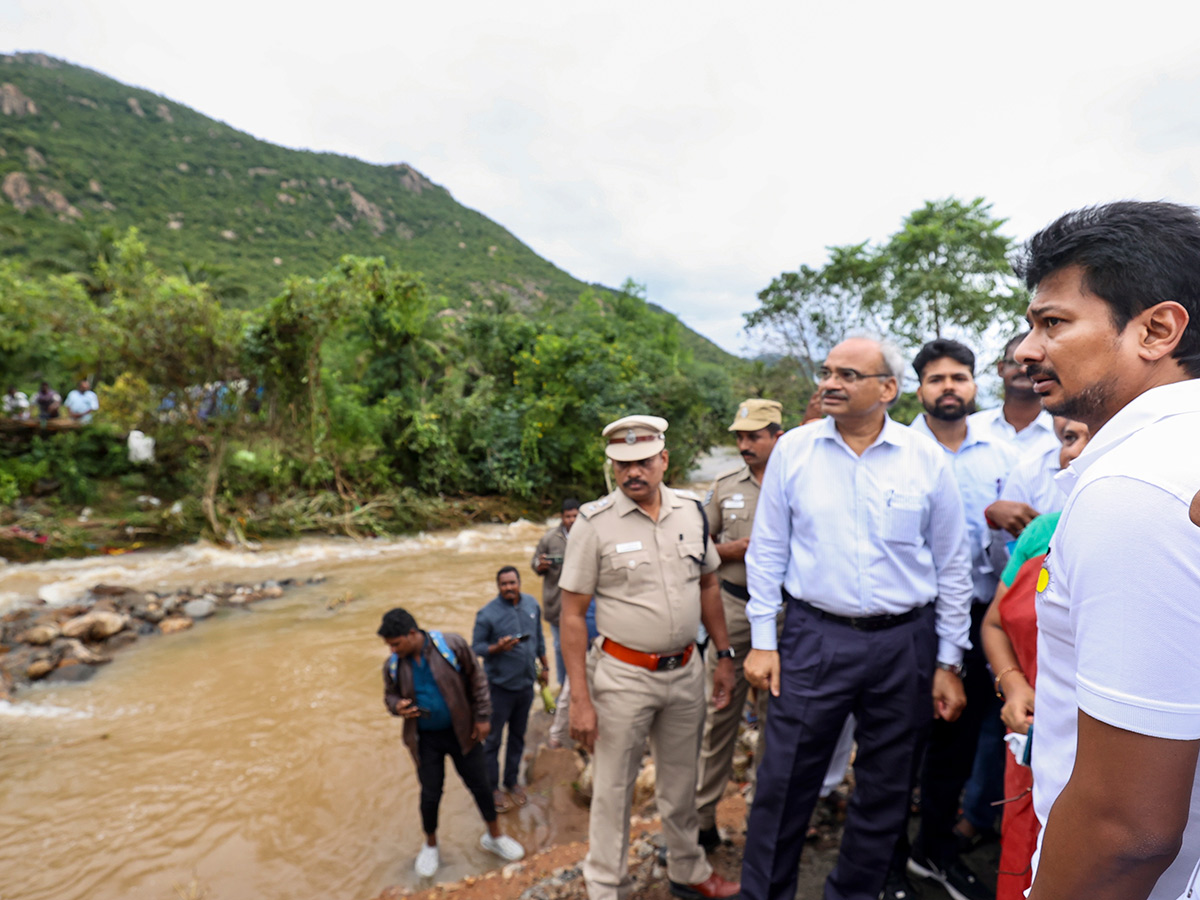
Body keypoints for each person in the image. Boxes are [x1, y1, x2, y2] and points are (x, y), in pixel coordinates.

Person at [1011, 200, 1200, 900]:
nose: (1027, 349)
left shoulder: (1135, 484)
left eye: (1053, 322)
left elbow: (1126, 829)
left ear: (1156, 329)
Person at [740, 336, 973, 900]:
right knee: (784, 781)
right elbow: (767, 552)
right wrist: (764, 641)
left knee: (886, 788)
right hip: (814, 638)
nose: (829, 383)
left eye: (847, 374)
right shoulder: (794, 451)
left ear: (887, 389)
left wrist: (948, 660)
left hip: (905, 644)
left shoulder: (926, 460)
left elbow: (953, 565)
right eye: (826, 372)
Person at [559, 413, 740, 900]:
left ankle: (688, 870)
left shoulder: (690, 511)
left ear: (664, 459)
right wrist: (580, 696)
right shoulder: (594, 524)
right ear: (612, 468)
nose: (632, 472)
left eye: (642, 462)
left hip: (686, 671)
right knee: (613, 791)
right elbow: (572, 615)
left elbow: (707, 584)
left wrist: (724, 654)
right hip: (622, 676)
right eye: (622, 465)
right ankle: (605, 887)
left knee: (681, 784)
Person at [898, 338, 1018, 900]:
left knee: (957, 740)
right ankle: (886, 858)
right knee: (900, 740)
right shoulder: (898, 451)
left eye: (959, 377)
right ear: (917, 389)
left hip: (978, 615)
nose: (949, 387)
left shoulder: (997, 453)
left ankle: (935, 853)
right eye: (936, 378)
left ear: (975, 385)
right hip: (912, 620)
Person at [980, 418, 1089, 900]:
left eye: (1094, 433)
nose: (1077, 450)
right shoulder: (1041, 531)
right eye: (1068, 438)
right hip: (1031, 734)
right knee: (1025, 846)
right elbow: (995, 622)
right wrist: (1014, 683)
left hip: (1104, 751)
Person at [695, 398, 787, 850]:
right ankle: (703, 817)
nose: (744, 444)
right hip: (733, 609)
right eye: (740, 436)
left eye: (754, 436)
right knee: (720, 714)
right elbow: (696, 545)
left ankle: (762, 817)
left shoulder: (799, 481)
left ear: (777, 436)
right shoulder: (725, 485)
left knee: (778, 719)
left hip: (787, 616)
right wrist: (732, 551)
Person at [378, 607, 525, 878]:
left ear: (412, 634)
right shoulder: (394, 665)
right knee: (430, 793)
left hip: (463, 733)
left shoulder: (452, 646)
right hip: (424, 740)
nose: (392, 650)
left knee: (480, 786)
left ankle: (494, 837)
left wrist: (482, 718)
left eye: (396, 644)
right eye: (389, 646)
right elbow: (388, 697)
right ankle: (431, 845)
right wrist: (397, 706)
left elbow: (478, 681)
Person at [472, 566, 549, 814]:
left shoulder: (531, 605)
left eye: (512, 583)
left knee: (518, 736)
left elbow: (538, 638)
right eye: (503, 584)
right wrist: (498, 648)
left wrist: (545, 667)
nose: (508, 588)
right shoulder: (487, 614)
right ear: (498, 586)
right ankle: (492, 787)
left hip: (526, 685)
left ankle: (512, 781)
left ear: (519, 583)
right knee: (493, 740)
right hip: (499, 687)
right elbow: (477, 648)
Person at [968, 332, 1060, 459]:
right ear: (1000, 368)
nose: (1023, 370)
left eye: (1032, 365)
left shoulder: (1064, 431)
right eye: (1015, 363)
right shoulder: (971, 428)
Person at [532, 498, 581, 686]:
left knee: (587, 644)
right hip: (556, 603)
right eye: (568, 516)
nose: (572, 520)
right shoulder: (549, 538)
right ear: (562, 517)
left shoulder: (589, 535)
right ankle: (563, 685)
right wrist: (540, 565)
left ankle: (582, 683)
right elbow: (534, 563)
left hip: (584, 602)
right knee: (560, 648)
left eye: (575, 516)